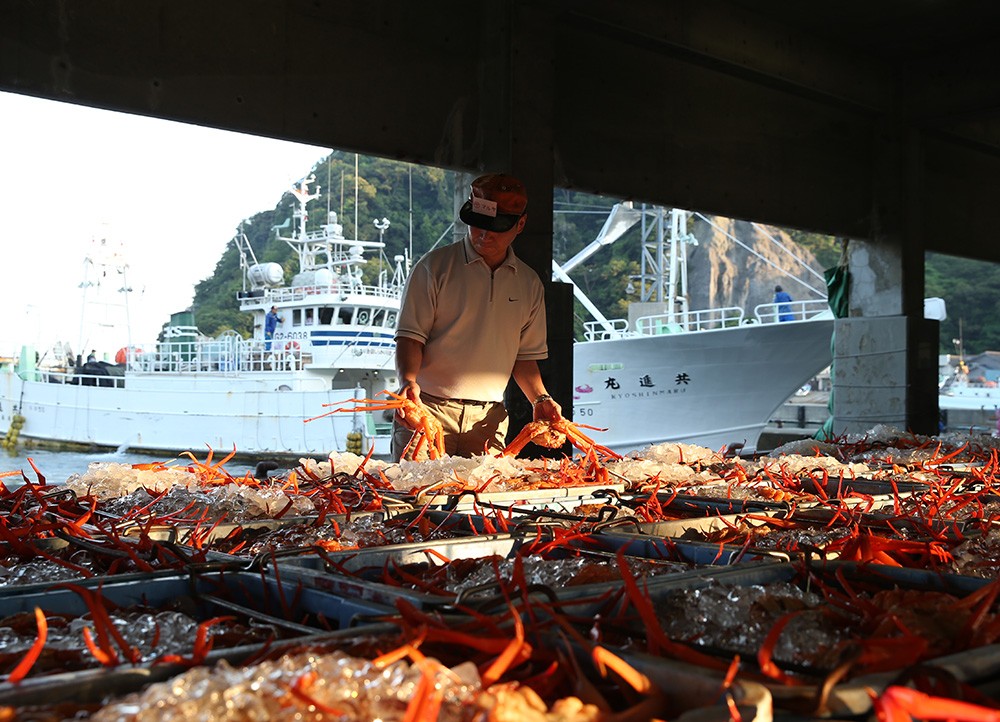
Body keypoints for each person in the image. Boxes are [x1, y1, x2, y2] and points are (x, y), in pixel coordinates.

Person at [392, 173, 562, 460]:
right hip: (428, 409)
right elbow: (410, 337)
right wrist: (407, 382)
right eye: (478, 224)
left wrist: (541, 398)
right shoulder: (433, 267)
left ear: (520, 224)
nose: (485, 234)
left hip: (489, 418)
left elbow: (524, 356)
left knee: (484, 502)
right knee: (416, 498)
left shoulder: (529, 283)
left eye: (497, 227)